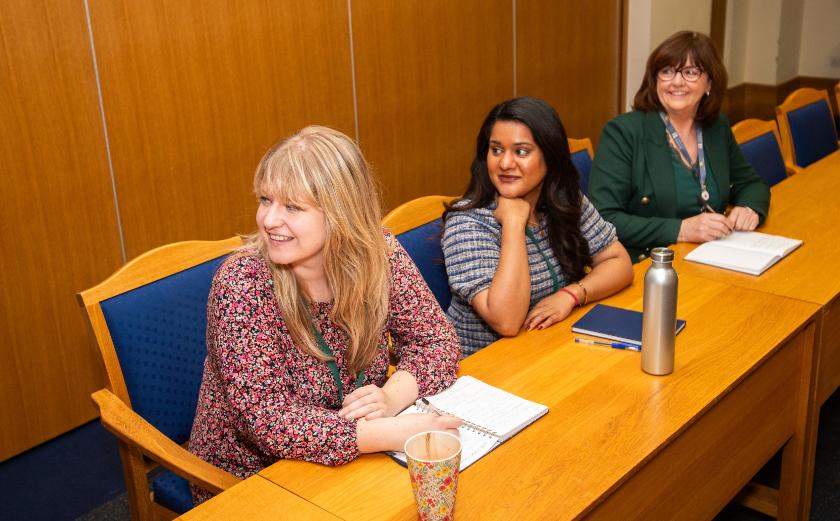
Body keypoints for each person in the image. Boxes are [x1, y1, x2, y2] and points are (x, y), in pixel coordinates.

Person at [189, 126, 461, 502]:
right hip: (255, 475)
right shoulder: (242, 282)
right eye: (266, 200)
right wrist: (389, 434)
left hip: (358, 453)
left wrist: (391, 399)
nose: (269, 220)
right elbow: (267, 420)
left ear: (341, 213)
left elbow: (436, 339)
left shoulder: (380, 254)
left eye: (293, 207)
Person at [442, 97, 633, 356]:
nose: (505, 163)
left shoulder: (564, 200)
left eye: (521, 152)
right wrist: (513, 223)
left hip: (549, 349)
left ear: (550, 156)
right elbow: (506, 321)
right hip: (483, 370)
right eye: (496, 150)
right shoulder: (467, 223)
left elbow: (618, 261)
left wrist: (571, 295)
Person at [589, 31, 770, 262]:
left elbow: (751, 183)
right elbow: (604, 219)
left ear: (710, 83)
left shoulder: (716, 126)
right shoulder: (623, 132)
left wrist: (749, 208)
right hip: (647, 264)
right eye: (666, 71)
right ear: (655, 80)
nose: (676, 81)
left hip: (711, 256)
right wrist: (681, 230)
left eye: (691, 72)